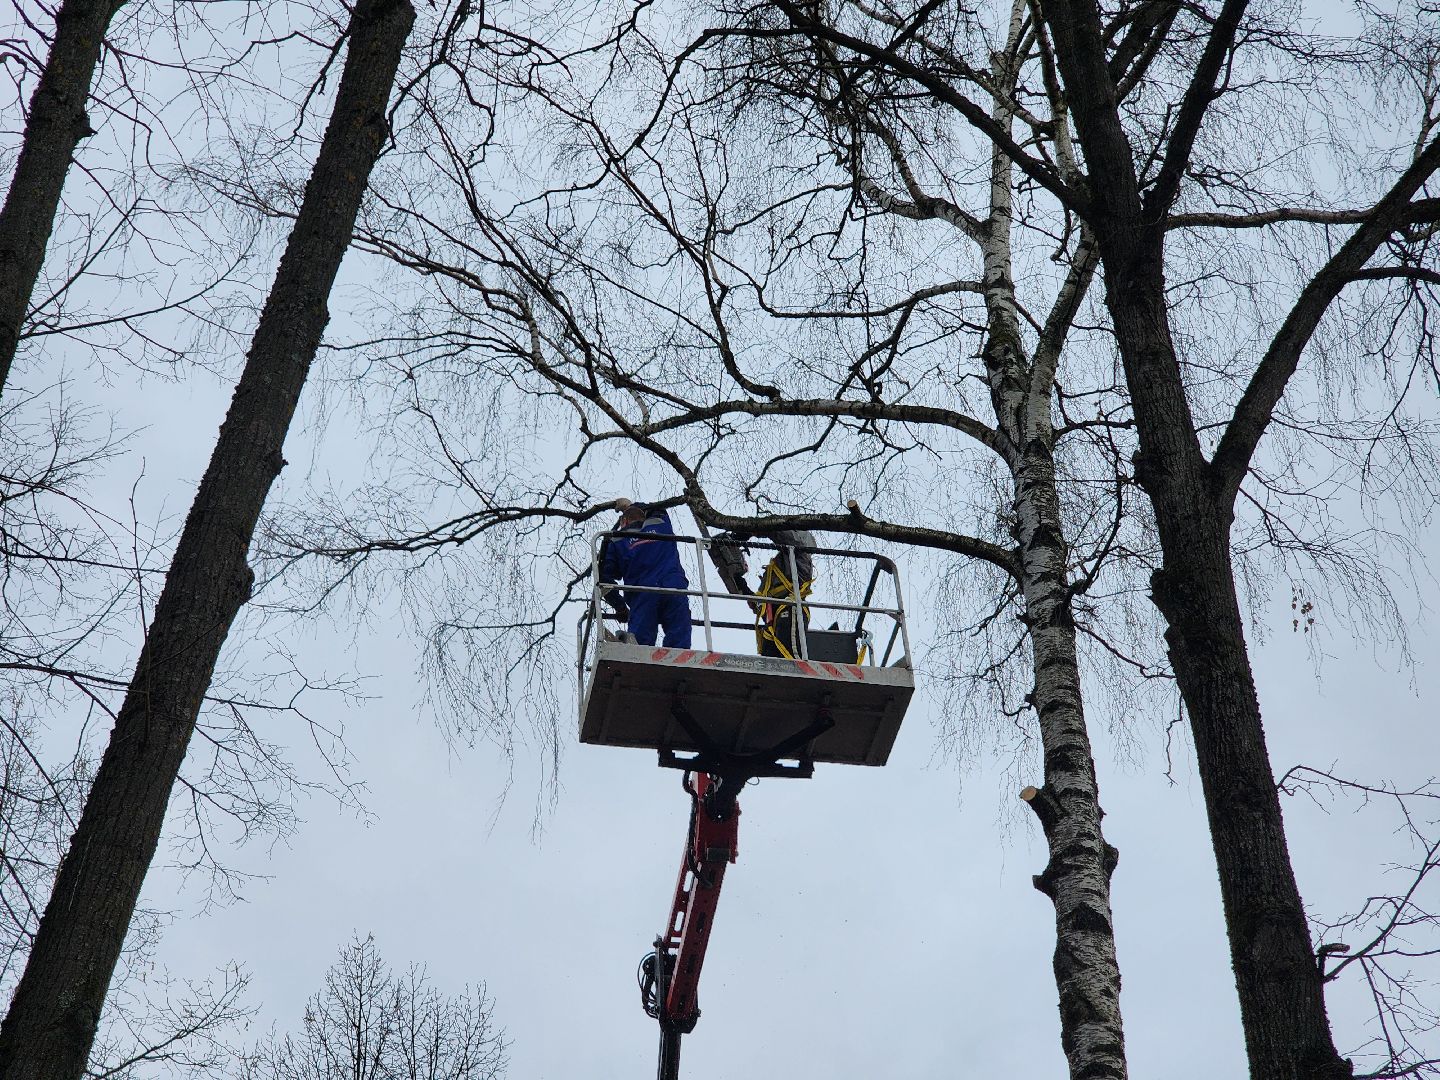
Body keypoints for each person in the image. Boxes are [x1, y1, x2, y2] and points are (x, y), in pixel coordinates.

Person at [599, 499, 693, 648]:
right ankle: (679, 663)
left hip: (643, 594)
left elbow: (603, 579)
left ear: (623, 522)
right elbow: (656, 509)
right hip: (674, 589)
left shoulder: (617, 540)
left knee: (639, 647)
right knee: (679, 640)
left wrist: (620, 607)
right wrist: (629, 505)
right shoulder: (661, 524)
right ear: (644, 516)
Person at [710, 529, 816, 658]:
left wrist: (750, 530)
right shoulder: (776, 568)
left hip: (790, 610)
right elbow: (760, 601)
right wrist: (740, 583)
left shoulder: (800, 560)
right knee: (769, 663)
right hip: (771, 620)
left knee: (791, 657)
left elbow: (781, 534)